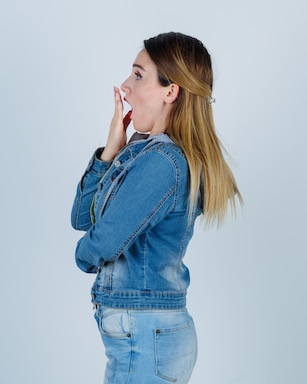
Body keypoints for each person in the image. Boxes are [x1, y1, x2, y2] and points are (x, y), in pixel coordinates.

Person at [71, 32, 241, 384]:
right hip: (144, 337)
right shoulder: (143, 155)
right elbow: (80, 217)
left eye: (137, 75)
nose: (124, 86)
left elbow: (100, 243)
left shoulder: (164, 163)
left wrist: (81, 255)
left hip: (146, 338)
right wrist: (110, 152)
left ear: (171, 91)